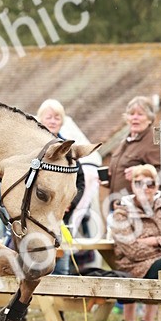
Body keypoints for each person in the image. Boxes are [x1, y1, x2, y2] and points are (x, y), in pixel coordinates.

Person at [36, 100, 101, 276]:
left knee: (61, 263)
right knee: (36, 263)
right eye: (48, 117)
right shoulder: (33, 147)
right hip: (36, 215)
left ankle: (59, 302)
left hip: (62, 217)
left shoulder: (70, 148)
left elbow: (79, 182)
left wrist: (68, 204)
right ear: (40, 119)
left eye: (57, 117)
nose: (52, 121)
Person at [107, 164, 161, 321]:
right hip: (131, 266)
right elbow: (132, 250)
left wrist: (153, 241)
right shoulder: (120, 213)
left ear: (157, 185)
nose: (145, 188)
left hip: (157, 263)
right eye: (139, 183)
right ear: (132, 186)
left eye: (150, 183)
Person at [103, 96, 160, 207]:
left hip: (138, 208)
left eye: (140, 114)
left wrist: (140, 171)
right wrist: (109, 181)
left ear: (150, 119)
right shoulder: (126, 140)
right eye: (131, 114)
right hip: (118, 205)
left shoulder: (153, 141)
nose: (135, 118)